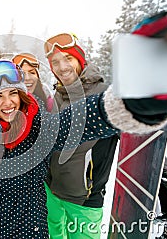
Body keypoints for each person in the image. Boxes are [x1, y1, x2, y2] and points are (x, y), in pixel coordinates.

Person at [0, 59, 167, 238]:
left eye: (12, 93)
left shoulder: (38, 127)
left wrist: (117, 107)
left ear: (21, 95)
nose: (7, 103)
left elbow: (74, 122)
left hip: (29, 223)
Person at [43, 33, 119, 238]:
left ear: (80, 58)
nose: (62, 67)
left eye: (68, 58)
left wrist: (162, 175)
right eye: (55, 62)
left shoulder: (105, 95)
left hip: (85, 202)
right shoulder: (56, 95)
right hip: (51, 192)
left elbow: (138, 128)